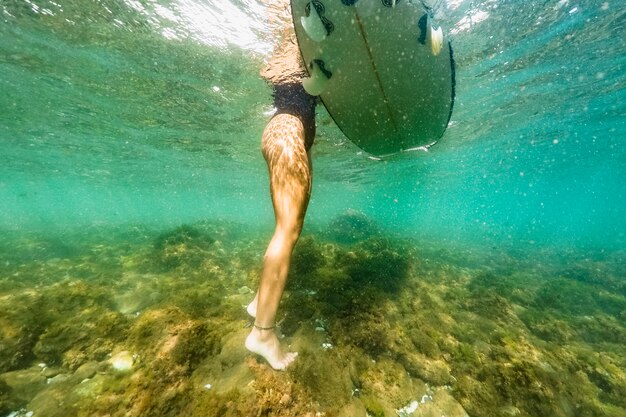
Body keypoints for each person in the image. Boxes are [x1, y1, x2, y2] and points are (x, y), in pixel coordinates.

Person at [244, 0, 317, 370]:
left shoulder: (309, 57)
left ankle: (260, 303)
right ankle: (262, 333)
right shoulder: (310, 50)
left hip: (284, 134)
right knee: (286, 230)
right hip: (287, 133)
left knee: (292, 227)